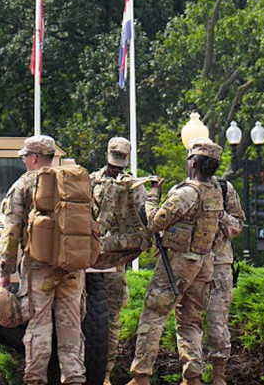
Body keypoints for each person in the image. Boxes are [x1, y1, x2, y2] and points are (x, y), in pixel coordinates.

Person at [128, 138, 237, 385]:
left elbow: (155, 221)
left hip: (178, 263)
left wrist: (153, 194)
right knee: (190, 321)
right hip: (203, 263)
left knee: (154, 315)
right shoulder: (215, 192)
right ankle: (192, 376)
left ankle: (141, 375)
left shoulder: (187, 193)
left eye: (189, 159)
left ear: (195, 163)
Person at [0, 135, 86, 385]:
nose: (25, 160)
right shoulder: (70, 182)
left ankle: (35, 379)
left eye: (26, 156)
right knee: (71, 326)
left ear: (34, 158)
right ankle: (74, 379)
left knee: (39, 325)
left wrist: (5, 269)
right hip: (72, 266)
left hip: (39, 267)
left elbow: (12, 229)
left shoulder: (24, 185)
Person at [89, 136, 151, 385]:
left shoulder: (135, 186)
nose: (116, 167)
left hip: (114, 261)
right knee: (83, 317)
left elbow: (145, 221)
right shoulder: (92, 180)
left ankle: (104, 374)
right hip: (87, 260)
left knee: (110, 320)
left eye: (121, 162)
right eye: (114, 160)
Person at [204, 169, 245, 385]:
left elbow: (238, 226)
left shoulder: (224, 188)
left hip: (219, 266)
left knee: (217, 322)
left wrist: (218, 213)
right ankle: (190, 375)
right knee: (187, 322)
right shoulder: (183, 190)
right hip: (190, 264)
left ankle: (218, 376)